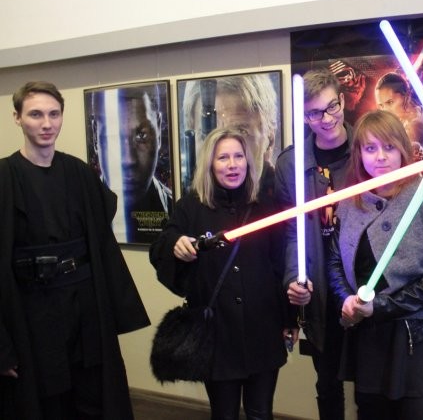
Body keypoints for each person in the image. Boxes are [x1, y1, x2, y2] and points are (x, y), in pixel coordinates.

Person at [0, 81, 150, 419]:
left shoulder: (79, 173)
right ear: (17, 118)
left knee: (93, 399)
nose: (46, 123)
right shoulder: (5, 178)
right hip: (31, 314)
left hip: (85, 309)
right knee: (45, 404)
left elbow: (100, 236)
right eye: (35, 114)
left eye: (54, 114)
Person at [327, 110, 423, 420]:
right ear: (359, 154)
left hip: (418, 340)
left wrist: (383, 306)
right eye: (370, 148)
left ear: (403, 148)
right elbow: (335, 261)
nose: (380, 157)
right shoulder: (350, 202)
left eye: (389, 147)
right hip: (369, 340)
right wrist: (345, 299)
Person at [150, 127, 290, 420]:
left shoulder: (265, 206)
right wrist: (176, 244)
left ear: (248, 161)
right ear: (210, 164)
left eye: (239, 156)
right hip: (218, 336)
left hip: (263, 328)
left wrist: (290, 318)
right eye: (223, 158)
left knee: (261, 413)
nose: (232, 164)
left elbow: (280, 264)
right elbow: (161, 247)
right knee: (223, 414)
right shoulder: (190, 207)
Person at [274, 68, 351, 420]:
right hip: (320, 289)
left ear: (343, 101)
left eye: (332, 107)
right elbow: (290, 232)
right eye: (315, 113)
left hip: (364, 283)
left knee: (373, 386)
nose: (326, 119)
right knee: (328, 383)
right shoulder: (290, 165)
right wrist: (295, 278)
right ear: (304, 117)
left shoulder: (370, 148)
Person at [89, 85, 172, 243]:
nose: (128, 160)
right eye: (113, 137)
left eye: (141, 136)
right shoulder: (82, 214)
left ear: (159, 131)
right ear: (95, 136)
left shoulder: (177, 211)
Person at [180, 74, 279, 198]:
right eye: (209, 134)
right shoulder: (187, 207)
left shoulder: (279, 204)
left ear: (269, 141)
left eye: (240, 132)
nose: (224, 149)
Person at [374, 71, 423, 158]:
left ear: (406, 95)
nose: (385, 111)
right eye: (381, 105)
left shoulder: (412, 130)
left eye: (390, 102)